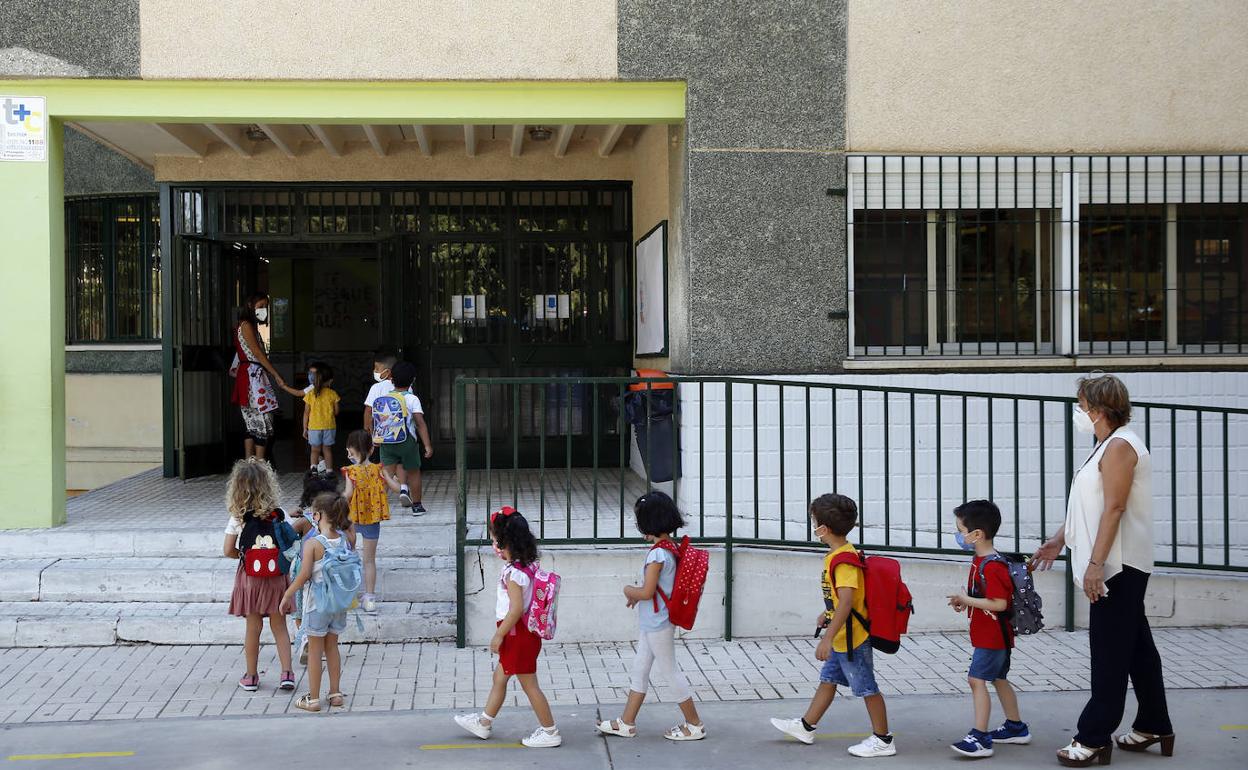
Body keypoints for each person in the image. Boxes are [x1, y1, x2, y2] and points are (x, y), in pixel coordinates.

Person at [1032, 373, 1173, 767]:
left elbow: (1114, 508)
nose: (1079, 412)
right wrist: (1060, 539)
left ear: (1098, 409)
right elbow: (1089, 504)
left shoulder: (1121, 447)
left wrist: (1096, 565)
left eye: (1082, 405)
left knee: (1109, 652)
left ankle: (1093, 736)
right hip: (1114, 562)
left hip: (1118, 565)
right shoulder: (1105, 446)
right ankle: (1154, 723)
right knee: (1137, 648)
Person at [770, 493, 896, 758]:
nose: (813, 525)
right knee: (828, 680)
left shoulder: (844, 561)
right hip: (843, 635)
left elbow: (848, 602)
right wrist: (827, 615)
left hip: (852, 639)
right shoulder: (838, 554)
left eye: (814, 521)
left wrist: (826, 637)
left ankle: (883, 739)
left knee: (866, 687)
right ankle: (806, 726)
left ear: (823, 529)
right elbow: (842, 600)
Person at [597, 491, 706, 741]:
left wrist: (628, 590)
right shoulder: (670, 548)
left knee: (669, 671)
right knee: (640, 669)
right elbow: (657, 589)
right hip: (655, 622)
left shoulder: (657, 554)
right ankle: (626, 722)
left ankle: (694, 723)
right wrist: (639, 594)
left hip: (658, 624)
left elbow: (647, 591)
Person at [453, 507, 561, 749]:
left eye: (494, 539)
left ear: (505, 542)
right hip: (522, 634)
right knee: (499, 678)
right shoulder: (528, 565)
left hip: (515, 634)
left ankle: (550, 731)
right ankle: (484, 722)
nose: (493, 544)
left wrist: (498, 636)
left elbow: (515, 609)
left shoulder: (514, 574)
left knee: (529, 685)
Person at [946, 500, 1030, 758]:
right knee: (998, 678)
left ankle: (980, 738)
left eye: (961, 530)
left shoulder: (992, 566)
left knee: (976, 680)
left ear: (977, 534)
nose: (959, 535)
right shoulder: (980, 560)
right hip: (992, 634)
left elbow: (999, 603)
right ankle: (1016, 727)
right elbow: (984, 597)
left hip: (992, 637)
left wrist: (967, 600)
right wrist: (966, 602)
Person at [222, 458, 295, 693]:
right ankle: (287, 674)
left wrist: (244, 558)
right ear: (268, 485)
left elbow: (227, 550)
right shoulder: (280, 514)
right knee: (280, 626)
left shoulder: (238, 517)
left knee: (253, 628)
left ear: (237, 488)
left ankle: (251, 676)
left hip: (250, 578)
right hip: (276, 577)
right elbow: (290, 545)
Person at [280, 491, 353, 713]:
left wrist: (286, 595)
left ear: (319, 516)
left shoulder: (313, 544)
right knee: (332, 647)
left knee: (314, 650)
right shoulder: (346, 540)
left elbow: (303, 576)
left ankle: (312, 698)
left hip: (317, 604)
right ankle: (335, 693)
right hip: (338, 604)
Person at [229, 293, 300, 460]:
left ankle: (250, 463)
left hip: (252, 377)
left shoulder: (249, 326)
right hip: (252, 378)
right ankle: (259, 463)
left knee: (252, 420)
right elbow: (259, 354)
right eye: (260, 306)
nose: (263, 310)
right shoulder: (246, 325)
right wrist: (276, 375)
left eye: (265, 307)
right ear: (250, 305)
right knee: (261, 419)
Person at [343, 429, 402, 613]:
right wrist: (394, 480)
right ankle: (369, 598)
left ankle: (349, 597)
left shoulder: (350, 472)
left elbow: (349, 494)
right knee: (369, 560)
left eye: (350, 452)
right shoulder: (379, 469)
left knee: (349, 557)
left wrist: (337, 499)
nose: (349, 455)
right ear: (371, 450)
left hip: (352, 519)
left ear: (352, 452)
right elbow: (397, 488)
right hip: (372, 520)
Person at [288, 469, 341, 666]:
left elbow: (287, 535)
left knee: (301, 609)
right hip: (325, 573)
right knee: (321, 608)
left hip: (303, 569)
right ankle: (320, 643)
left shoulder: (304, 521)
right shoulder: (336, 524)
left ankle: (304, 640)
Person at [371, 361, 433, 515]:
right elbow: (420, 424)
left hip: (387, 442)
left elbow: (378, 421)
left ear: (391, 379)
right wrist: (427, 445)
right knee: (413, 472)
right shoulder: (412, 399)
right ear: (413, 380)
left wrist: (376, 439)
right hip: (407, 442)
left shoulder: (384, 397)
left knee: (386, 474)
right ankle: (417, 506)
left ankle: (378, 507)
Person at [302, 361, 340, 472]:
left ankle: (313, 470)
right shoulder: (333, 394)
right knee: (327, 450)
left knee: (315, 450)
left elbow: (306, 413)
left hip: (314, 427)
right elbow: (336, 412)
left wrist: (305, 428)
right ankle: (329, 471)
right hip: (329, 426)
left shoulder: (310, 394)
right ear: (329, 381)